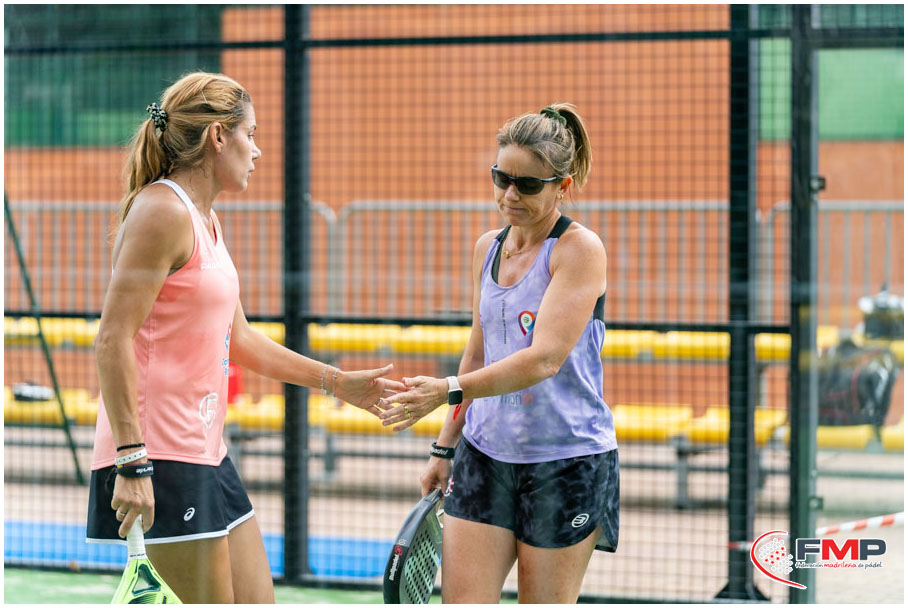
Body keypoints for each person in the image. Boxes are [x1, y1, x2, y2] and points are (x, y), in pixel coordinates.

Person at [86, 72, 405, 604]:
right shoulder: (162, 211)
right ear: (218, 136)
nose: (257, 151)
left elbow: (243, 340)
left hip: (206, 450)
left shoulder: (205, 219)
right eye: (250, 134)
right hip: (159, 454)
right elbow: (111, 340)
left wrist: (337, 382)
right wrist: (132, 460)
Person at [380, 103, 618, 603]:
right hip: (484, 454)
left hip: (565, 460)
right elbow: (477, 352)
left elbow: (544, 359)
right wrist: (445, 447)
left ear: (562, 186)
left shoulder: (579, 249)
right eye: (501, 178)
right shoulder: (487, 247)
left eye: (527, 185)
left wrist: (445, 390)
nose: (510, 194)